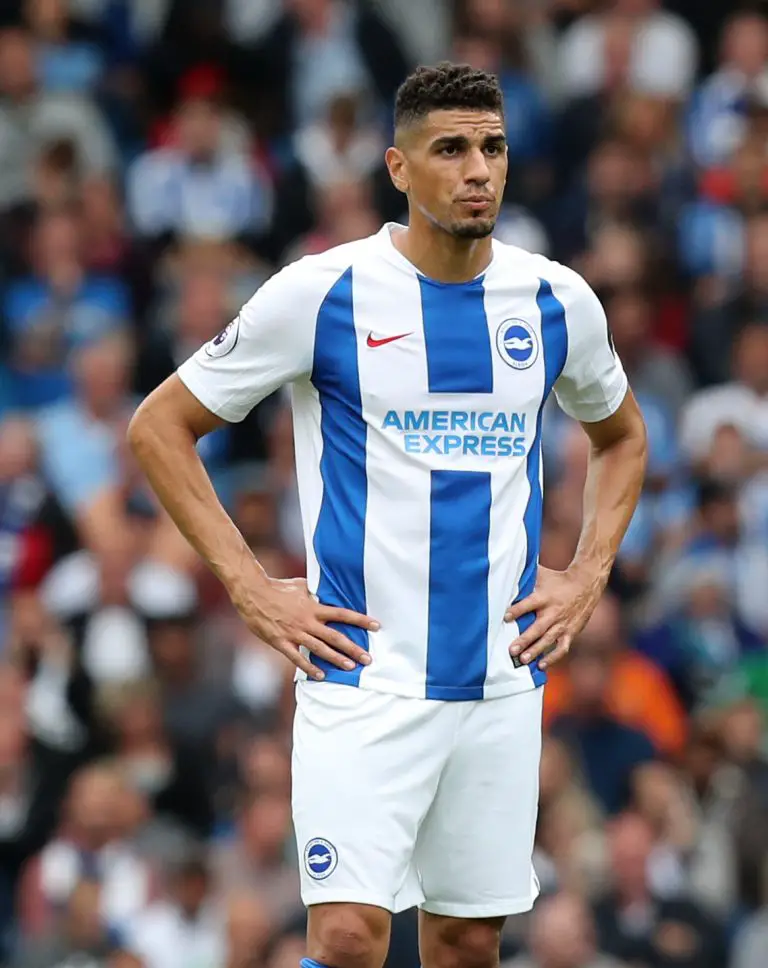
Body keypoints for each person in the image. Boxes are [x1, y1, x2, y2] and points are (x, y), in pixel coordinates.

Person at [128, 62, 647, 968]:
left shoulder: (557, 301)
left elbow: (624, 436)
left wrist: (587, 574)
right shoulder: (322, 293)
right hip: (361, 677)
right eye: (450, 149)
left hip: (497, 682)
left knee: (466, 947)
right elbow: (159, 427)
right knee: (346, 935)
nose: (477, 169)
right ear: (398, 168)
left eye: (492, 148)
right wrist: (252, 589)